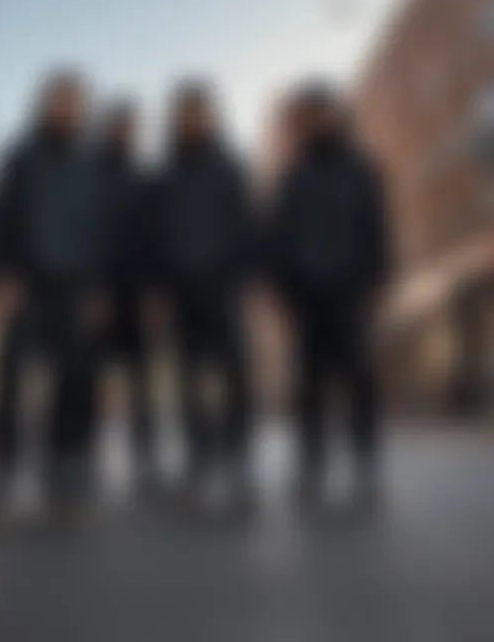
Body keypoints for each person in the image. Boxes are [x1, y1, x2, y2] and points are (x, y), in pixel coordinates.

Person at [0, 71, 110, 517]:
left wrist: (97, 288)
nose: (66, 110)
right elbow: (0, 217)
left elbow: (102, 230)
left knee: (76, 379)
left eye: (74, 103)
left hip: (76, 287)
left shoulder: (93, 161)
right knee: (11, 378)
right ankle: (2, 471)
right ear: (43, 105)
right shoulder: (20, 156)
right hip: (26, 284)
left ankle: (65, 467)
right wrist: (2, 275)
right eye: (59, 102)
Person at [268, 81, 390, 510]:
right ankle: (311, 467)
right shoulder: (293, 177)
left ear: (335, 116)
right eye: (306, 116)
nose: (314, 123)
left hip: (350, 290)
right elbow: (278, 237)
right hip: (306, 296)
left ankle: (366, 468)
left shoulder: (361, 169)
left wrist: (376, 282)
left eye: (320, 113)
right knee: (310, 385)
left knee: (360, 380)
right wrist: (283, 291)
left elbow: (377, 229)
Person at [142, 81, 257, 511]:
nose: (193, 120)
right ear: (176, 119)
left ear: (212, 117)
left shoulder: (231, 168)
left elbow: (247, 226)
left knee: (235, 377)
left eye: (200, 112)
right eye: (186, 113)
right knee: (190, 381)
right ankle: (200, 464)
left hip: (223, 287)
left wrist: (246, 281)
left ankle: (238, 462)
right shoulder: (163, 174)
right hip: (179, 290)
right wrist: (155, 288)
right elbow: (151, 237)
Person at [94, 100, 154, 487]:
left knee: (140, 377)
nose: (124, 132)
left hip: (135, 293)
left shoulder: (145, 179)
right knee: (84, 376)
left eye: (130, 126)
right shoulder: (87, 174)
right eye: (119, 125)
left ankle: (145, 459)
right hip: (95, 292)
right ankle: (78, 457)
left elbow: (154, 238)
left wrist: (152, 291)